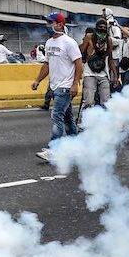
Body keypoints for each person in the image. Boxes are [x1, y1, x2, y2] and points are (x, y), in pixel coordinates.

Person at [31, 12, 83, 162]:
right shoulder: (49, 43)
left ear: (60, 25)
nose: (47, 25)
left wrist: (75, 83)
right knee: (67, 118)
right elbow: (47, 64)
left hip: (65, 87)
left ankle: (54, 149)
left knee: (56, 115)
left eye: (50, 22)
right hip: (54, 86)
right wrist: (38, 80)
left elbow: (79, 64)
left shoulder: (69, 42)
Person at [79, 18, 118, 112]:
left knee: (106, 102)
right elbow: (80, 54)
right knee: (88, 101)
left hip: (103, 73)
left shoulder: (108, 40)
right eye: (100, 27)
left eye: (105, 27)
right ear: (96, 27)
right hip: (89, 73)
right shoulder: (89, 37)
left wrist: (116, 76)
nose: (102, 29)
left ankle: (103, 120)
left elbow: (110, 59)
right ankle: (84, 120)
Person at [103, 8, 123, 74]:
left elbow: (117, 41)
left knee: (113, 74)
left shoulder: (114, 27)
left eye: (104, 13)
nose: (102, 15)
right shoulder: (107, 26)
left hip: (114, 55)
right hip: (107, 55)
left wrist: (108, 40)